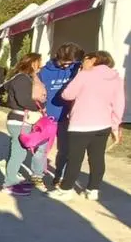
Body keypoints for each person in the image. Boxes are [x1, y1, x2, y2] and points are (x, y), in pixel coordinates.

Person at [50, 50, 125, 201]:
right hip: (103, 124)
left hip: (81, 123)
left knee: (75, 158)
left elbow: (67, 95)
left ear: (94, 60)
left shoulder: (85, 74)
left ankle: (66, 189)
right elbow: (119, 104)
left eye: (85, 59)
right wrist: (115, 126)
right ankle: (93, 189)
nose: (83, 62)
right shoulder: (116, 78)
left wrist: (80, 74)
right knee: (97, 158)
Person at [1, 53, 48, 195]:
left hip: (20, 120)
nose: (40, 65)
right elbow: (23, 100)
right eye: (39, 62)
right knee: (18, 154)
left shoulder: (23, 78)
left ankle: (11, 179)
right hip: (20, 121)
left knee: (17, 152)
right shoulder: (22, 79)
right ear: (33, 63)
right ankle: (8, 184)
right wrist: (40, 106)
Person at [38, 42, 84, 184]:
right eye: (63, 63)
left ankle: (59, 176)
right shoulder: (44, 72)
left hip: (66, 117)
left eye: (69, 64)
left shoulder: (77, 69)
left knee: (64, 150)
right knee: (41, 149)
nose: (66, 66)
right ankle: (37, 174)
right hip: (47, 118)